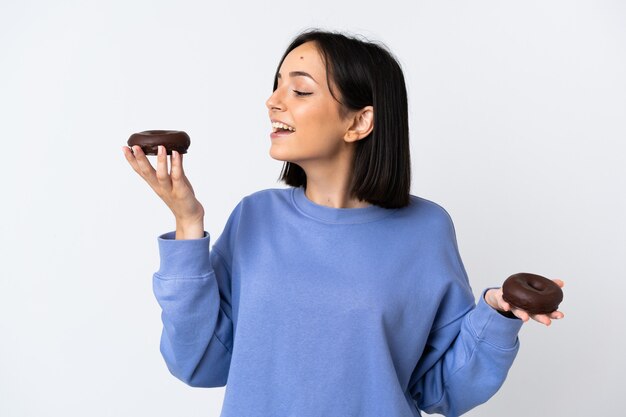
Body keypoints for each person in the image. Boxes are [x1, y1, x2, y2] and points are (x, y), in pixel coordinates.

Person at [122, 29, 565, 417]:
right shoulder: (254, 217)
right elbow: (197, 362)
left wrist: (495, 317)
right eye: (277, 87)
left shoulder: (426, 229)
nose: (272, 101)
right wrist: (187, 221)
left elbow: (441, 390)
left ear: (359, 121)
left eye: (300, 91)